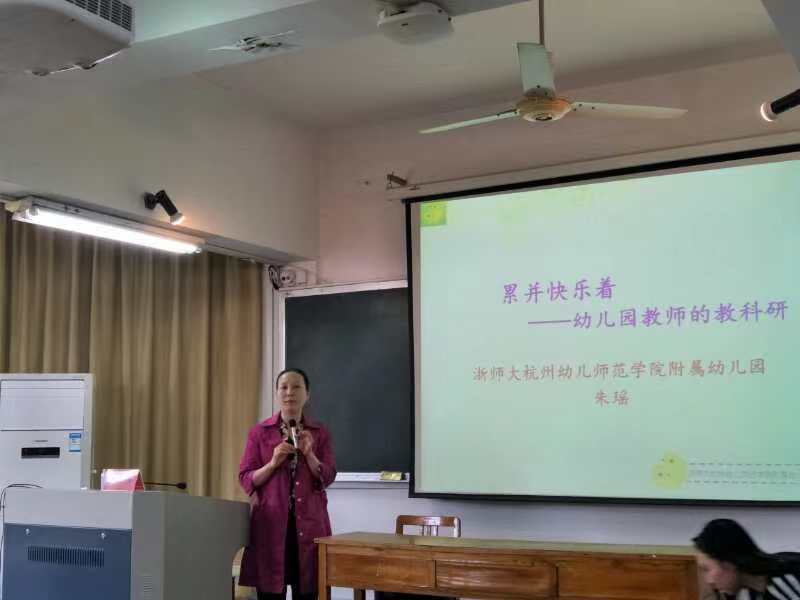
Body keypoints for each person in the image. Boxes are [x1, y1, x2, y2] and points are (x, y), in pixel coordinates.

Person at [238, 368, 337, 600]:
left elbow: (328, 476)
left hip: (310, 528)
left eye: (296, 387)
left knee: (309, 591)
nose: (289, 392)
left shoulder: (319, 433)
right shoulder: (259, 432)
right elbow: (245, 478)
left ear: (307, 394)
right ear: (276, 394)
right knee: (270, 592)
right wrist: (273, 463)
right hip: (270, 528)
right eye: (283, 387)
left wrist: (310, 455)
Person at [693, 519, 800, 600]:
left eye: (707, 569)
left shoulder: (786, 581)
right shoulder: (747, 591)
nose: (709, 581)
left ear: (729, 563)